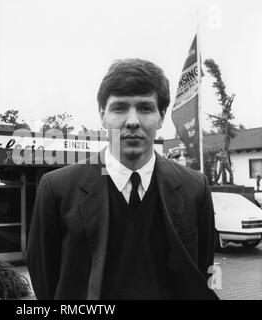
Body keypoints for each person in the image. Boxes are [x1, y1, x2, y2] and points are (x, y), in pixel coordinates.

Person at [27, 59, 218, 300]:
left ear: (161, 116)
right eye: (119, 108)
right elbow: (45, 278)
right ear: (102, 115)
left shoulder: (195, 188)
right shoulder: (57, 189)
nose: (132, 121)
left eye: (145, 108)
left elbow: (202, 272)